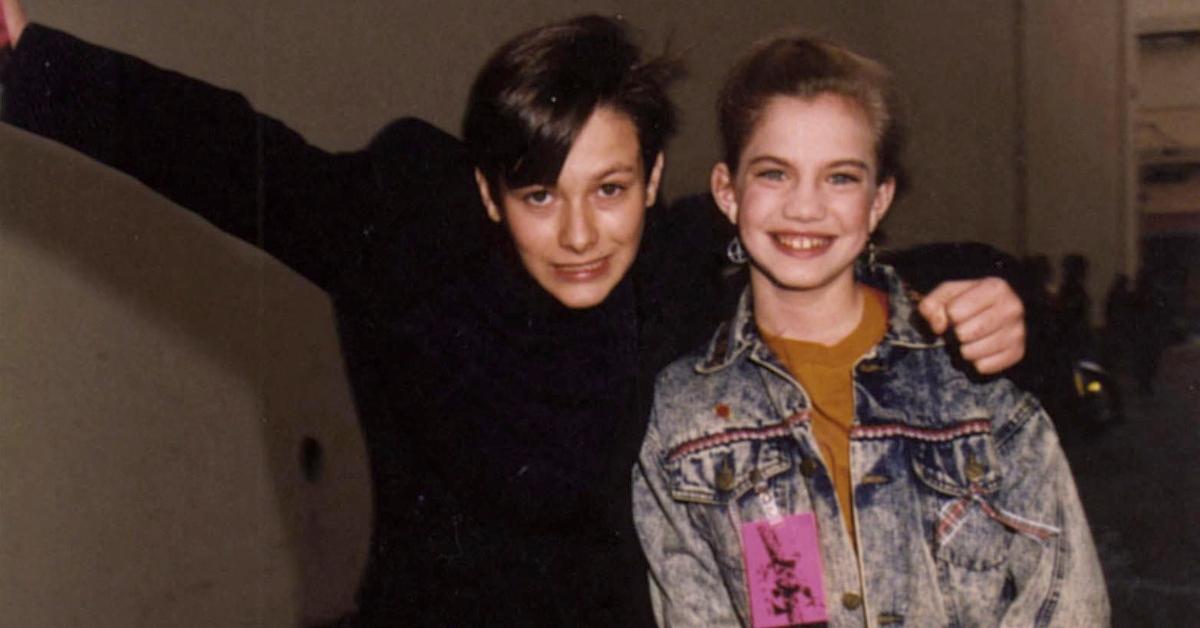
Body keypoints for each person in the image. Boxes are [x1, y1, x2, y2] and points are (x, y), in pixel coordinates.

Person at [0, 5, 1028, 626]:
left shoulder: (687, 261)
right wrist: (27, 63)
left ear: (657, 176)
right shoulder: (402, 235)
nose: (581, 233)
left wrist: (993, 289)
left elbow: (858, 252)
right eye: (539, 194)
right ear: (487, 192)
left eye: (612, 190)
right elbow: (220, 147)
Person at [634, 35, 1107, 626]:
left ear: (879, 201)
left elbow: (1067, 605)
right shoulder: (684, 412)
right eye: (775, 173)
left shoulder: (977, 377)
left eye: (840, 178)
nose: (805, 208)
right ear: (728, 193)